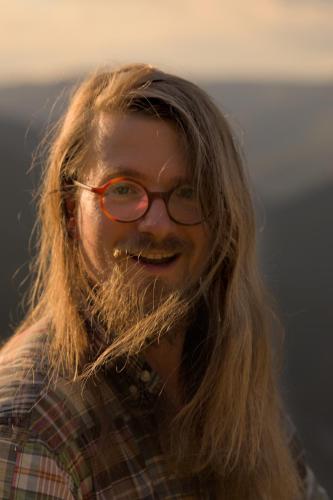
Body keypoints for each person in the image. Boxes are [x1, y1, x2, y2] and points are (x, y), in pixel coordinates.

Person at [0, 64, 328, 500]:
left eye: (188, 192)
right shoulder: (30, 437)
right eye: (122, 189)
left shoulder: (229, 381)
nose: (156, 223)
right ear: (70, 213)